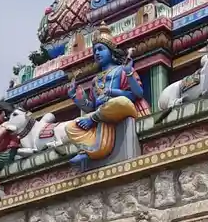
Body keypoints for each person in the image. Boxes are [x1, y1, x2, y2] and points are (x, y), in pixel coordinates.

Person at [64, 23, 149, 170]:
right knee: (71, 126)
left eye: (101, 49)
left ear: (111, 52)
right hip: (102, 114)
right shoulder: (95, 80)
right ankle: (89, 148)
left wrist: (125, 77)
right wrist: (76, 98)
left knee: (119, 102)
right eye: (95, 50)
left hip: (120, 108)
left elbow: (137, 94)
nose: (97, 53)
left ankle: (93, 132)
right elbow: (91, 105)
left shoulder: (122, 70)